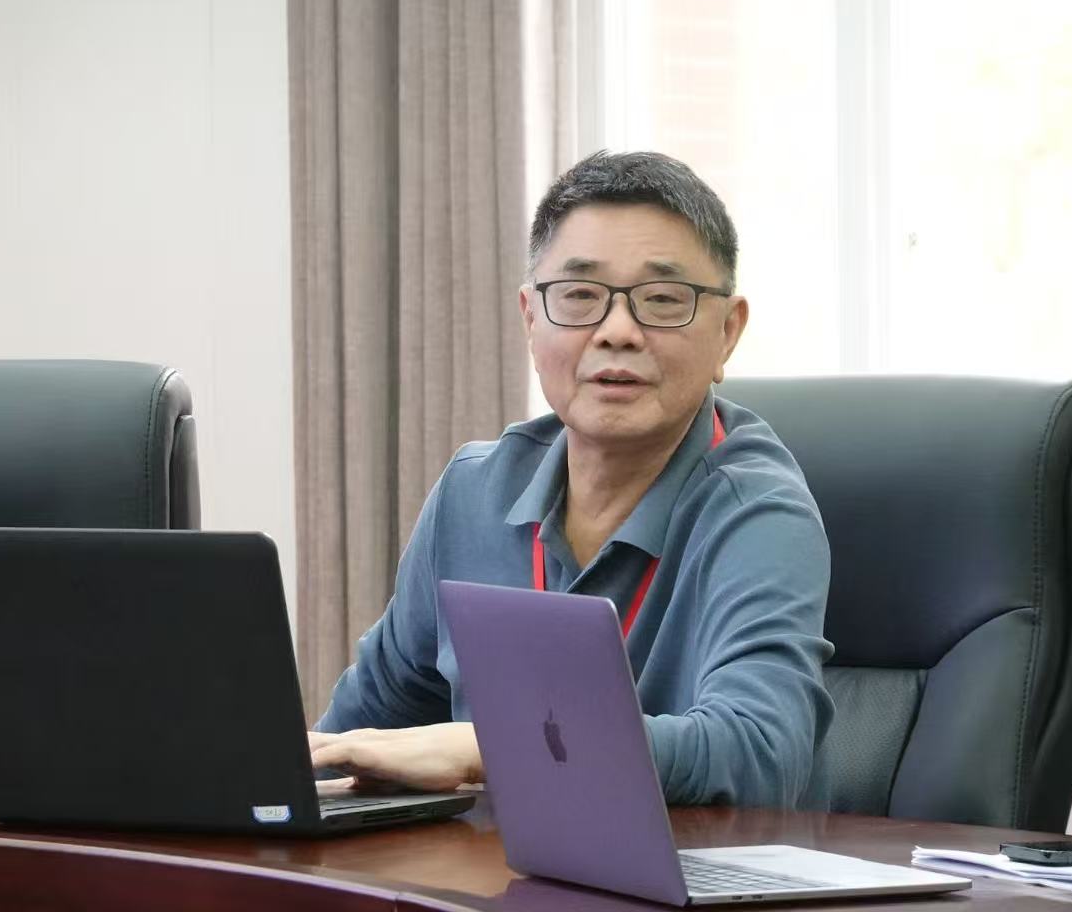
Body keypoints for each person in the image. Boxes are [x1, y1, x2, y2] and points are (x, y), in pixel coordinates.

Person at [308, 150, 834, 807]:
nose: (617, 332)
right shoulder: (474, 493)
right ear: (531, 318)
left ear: (728, 332)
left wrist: (491, 746)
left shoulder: (759, 512)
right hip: (486, 867)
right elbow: (355, 736)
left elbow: (759, 754)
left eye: (662, 300)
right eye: (581, 296)